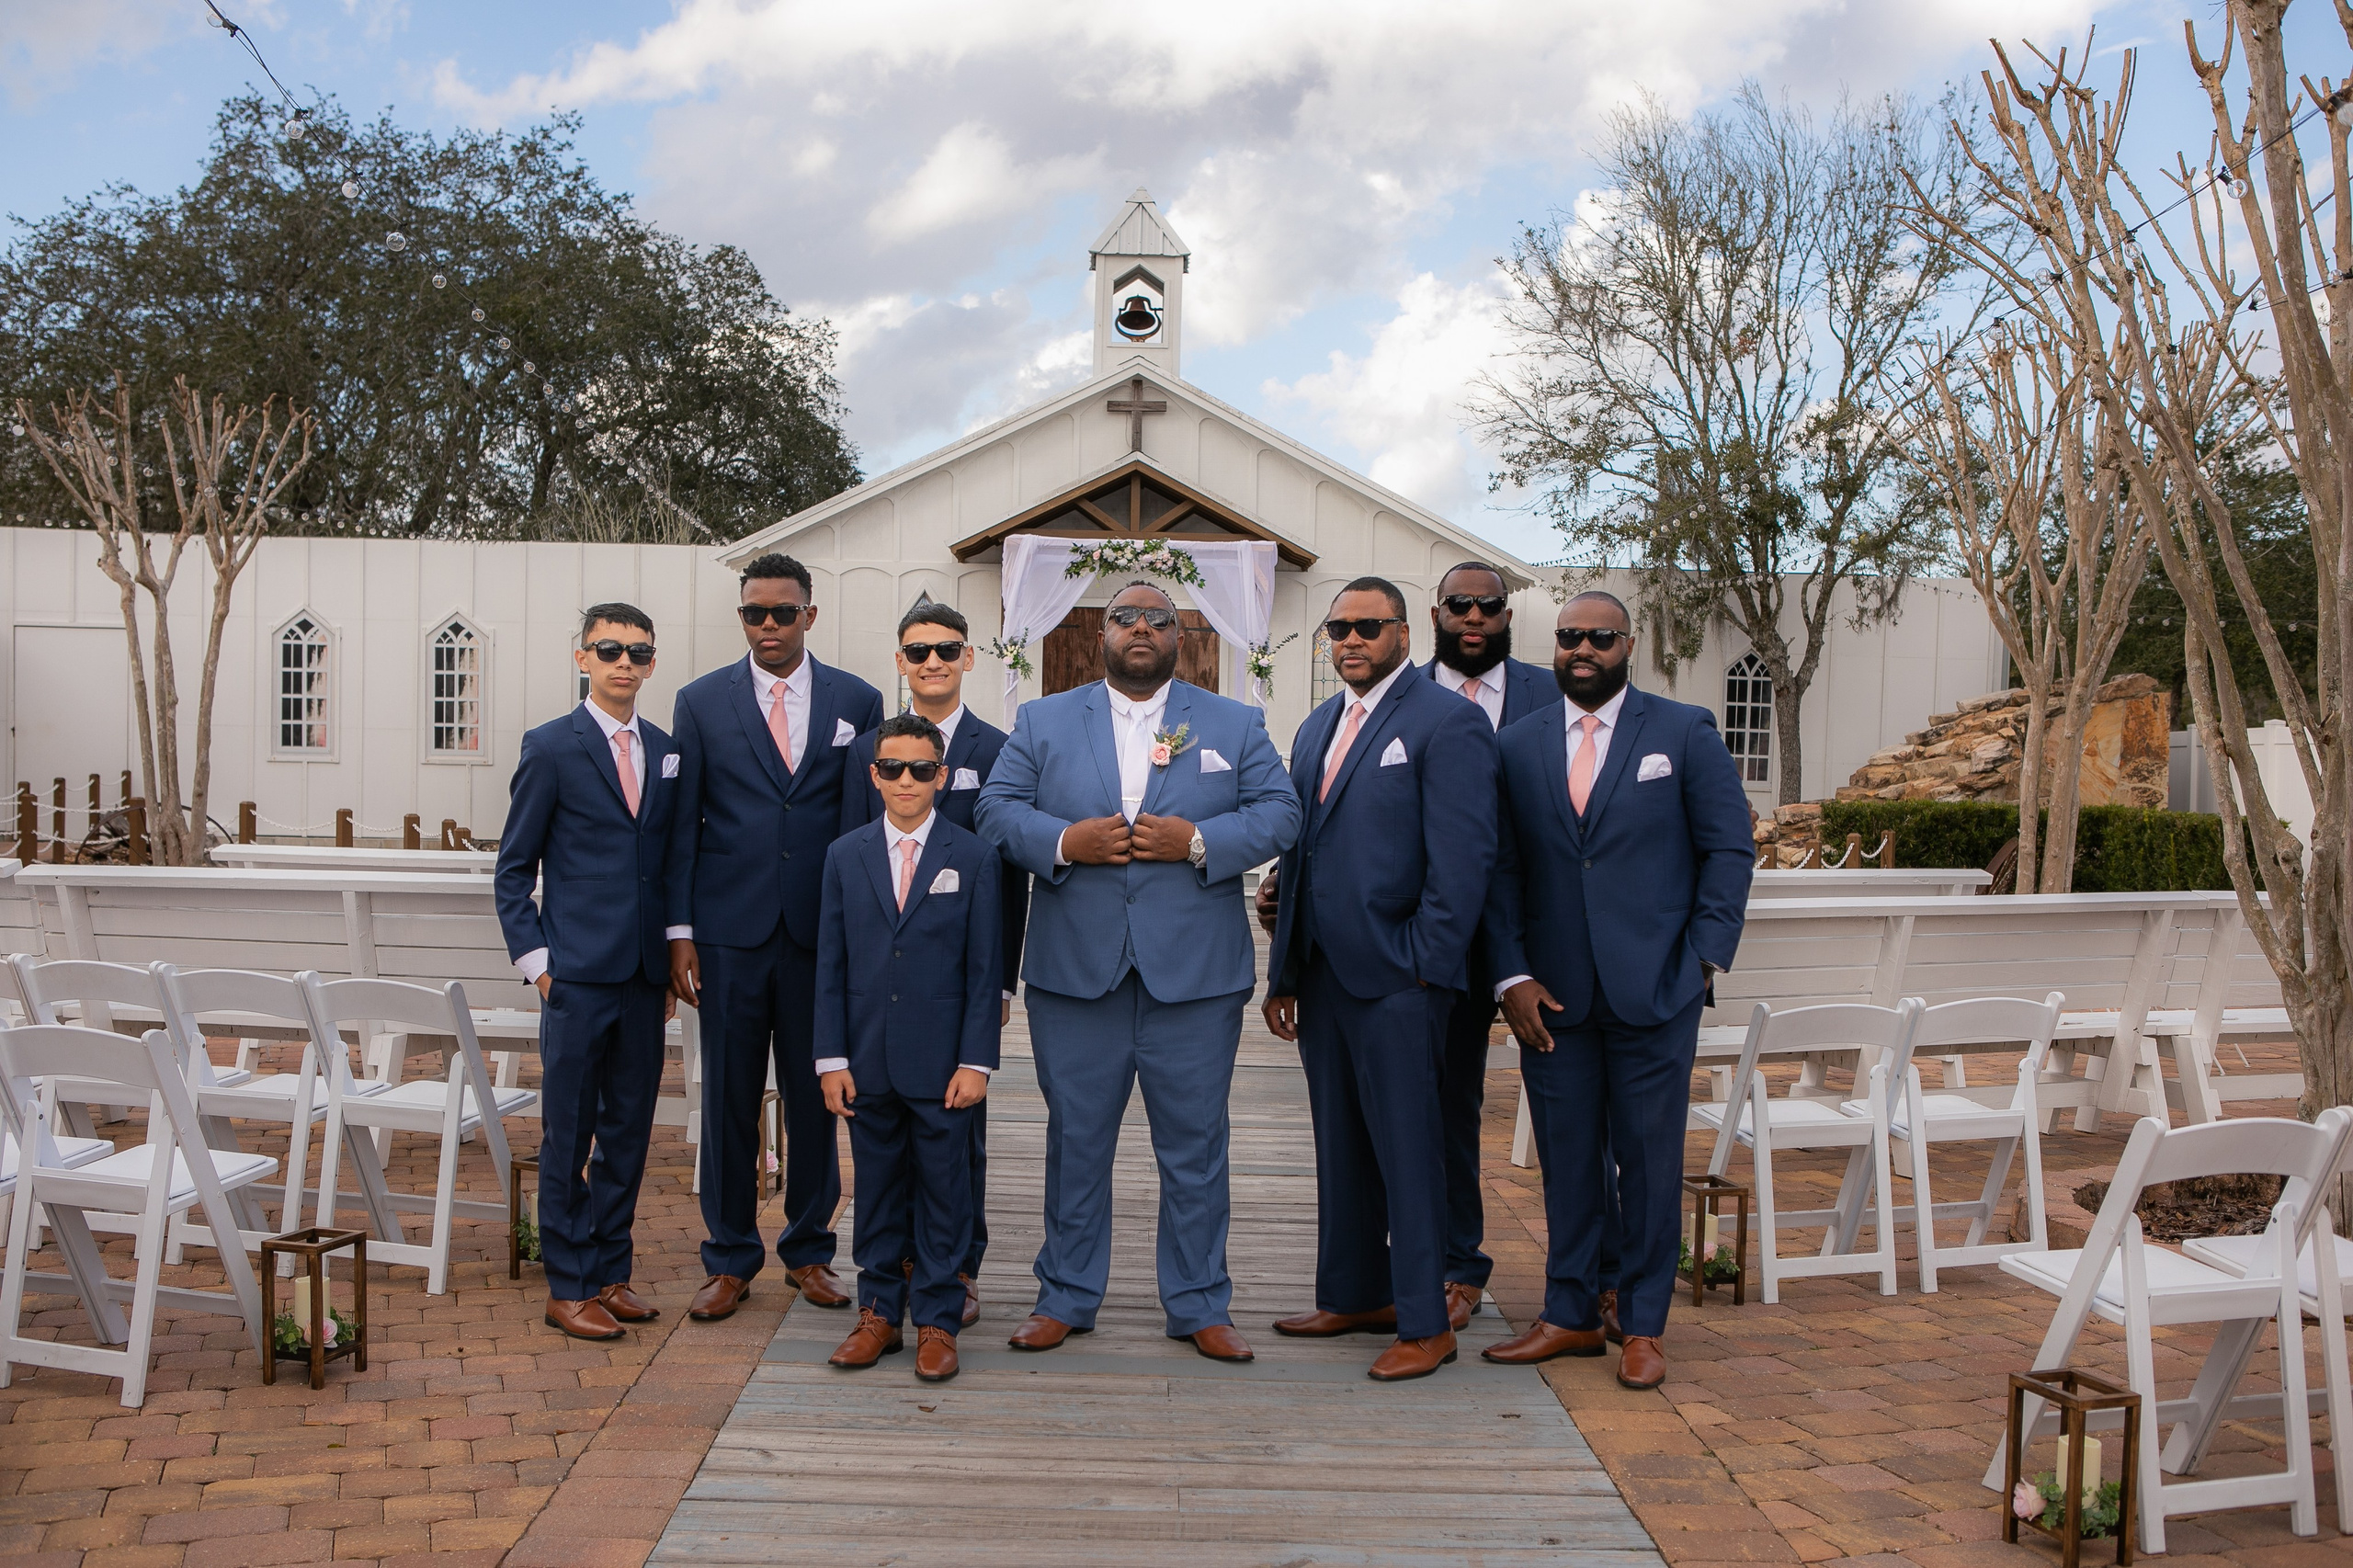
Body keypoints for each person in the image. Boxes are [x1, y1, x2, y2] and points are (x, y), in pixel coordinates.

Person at [974, 581, 1299, 1363]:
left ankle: (1198, 1303)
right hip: (1075, 972)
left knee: (1195, 1146)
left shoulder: (1233, 722)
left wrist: (1197, 840)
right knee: (1076, 1140)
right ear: (1101, 634)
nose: (1143, 628)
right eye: (1127, 618)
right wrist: (1062, 843)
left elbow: (1281, 813)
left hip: (1194, 976)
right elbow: (995, 809)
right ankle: (1065, 1295)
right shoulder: (1043, 720)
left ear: (1182, 638)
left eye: (1161, 619)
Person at [1480, 591, 1753, 1390]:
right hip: (1551, 996)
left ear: (1628, 643)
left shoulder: (1682, 730)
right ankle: (1566, 1315)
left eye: (1599, 636)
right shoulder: (1518, 743)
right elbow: (1500, 868)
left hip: (1655, 989)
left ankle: (1642, 1324)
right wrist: (1511, 974)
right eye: (1569, 638)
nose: (1583, 649)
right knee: (1565, 1162)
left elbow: (1728, 850)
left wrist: (1702, 958)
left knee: (1648, 1160)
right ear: (1554, 646)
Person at [1263, 577, 1499, 1383]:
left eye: (1368, 626)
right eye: (1339, 629)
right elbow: (1300, 854)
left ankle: (1426, 1323)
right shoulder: (1318, 725)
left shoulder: (1449, 722)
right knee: (1341, 1146)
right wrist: (1285, 970)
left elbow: (1465, 862)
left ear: (1406, 631)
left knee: (1410, 1150)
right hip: (1325, 977)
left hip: (1403, 979)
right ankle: (1356, 1293)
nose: (1351, 641)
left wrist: (1424, 966)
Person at [667, 553, 885, 1322]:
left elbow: (864, 823)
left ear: (809, 617)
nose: (768, 625)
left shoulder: (859, 700)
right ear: (742, 618)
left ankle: (808, 1250)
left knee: (816, 1094)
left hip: (818, 936)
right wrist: (681, 933)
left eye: (782, 612)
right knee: (727, 1098)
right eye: (754, 612)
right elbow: (683, 825)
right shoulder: (699, 703)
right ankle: (729, 1259)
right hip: (727, 935)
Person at [493, 604, 681, 1341]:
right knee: (567, 1134)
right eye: (609, 650)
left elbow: (665, 863)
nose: (623, 662)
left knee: (629, 1132)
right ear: (583, 659)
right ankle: (567, 1284)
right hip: (574, 976)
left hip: (641, 977)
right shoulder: (550, 747)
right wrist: (541, 967)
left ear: (651, 664)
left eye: (637, 651)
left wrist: (668, 959)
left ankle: (611, 1271)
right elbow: (513, 871)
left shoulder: (665, 749)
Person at [840, 599, 1029, 1328]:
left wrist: (1001, 980)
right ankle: (896, 1273)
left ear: (968, 657)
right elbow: (851, 850)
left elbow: (1009, 875)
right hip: (883, 982)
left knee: (957, 1133)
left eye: (947, 649)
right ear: (900, 661)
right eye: (918, 651)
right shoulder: (870, 750)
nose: (932, 662)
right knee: (887, 1139)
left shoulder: (1000, 746)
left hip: (962, 977)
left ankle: (958, 1266)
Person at [814, 712, 1002, 1384]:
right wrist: (830, 1058)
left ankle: (939, 1321)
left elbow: (985, 971)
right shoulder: (845, 854)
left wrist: (977, 1062)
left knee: (946, 1193)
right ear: (874, 774)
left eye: (921, 769)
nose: (906, 780)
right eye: (892, 767)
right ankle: (877, 1314)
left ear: (941, 777)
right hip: (866, 1061)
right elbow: (830, 964)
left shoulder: (974, 856)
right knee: (879, 1192)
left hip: (943, 1064)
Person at [1415, 561, 1558, 1332]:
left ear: (1508, 615)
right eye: (1460, 605)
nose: (1475, 617)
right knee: (1446, 1111)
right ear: (1435, 613)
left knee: (1574, 1118)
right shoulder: (1399, 693)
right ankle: (1454, 1265)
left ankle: (1590, 1283)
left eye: (1490, 606)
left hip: (1546, 942)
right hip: (1439, 942)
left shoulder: (1552, 692)